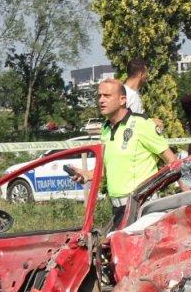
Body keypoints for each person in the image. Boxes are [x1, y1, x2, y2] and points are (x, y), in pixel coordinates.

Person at [72, 79, 177, 228]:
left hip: (142, 208)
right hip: (118, 209)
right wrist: (86, 175)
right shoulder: (106, 130)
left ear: (123, 100)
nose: (101, 100)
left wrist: (190, 199)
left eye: (107, 96)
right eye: (99, 96)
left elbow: (172, 161)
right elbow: (106, 170)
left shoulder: (141, 124)